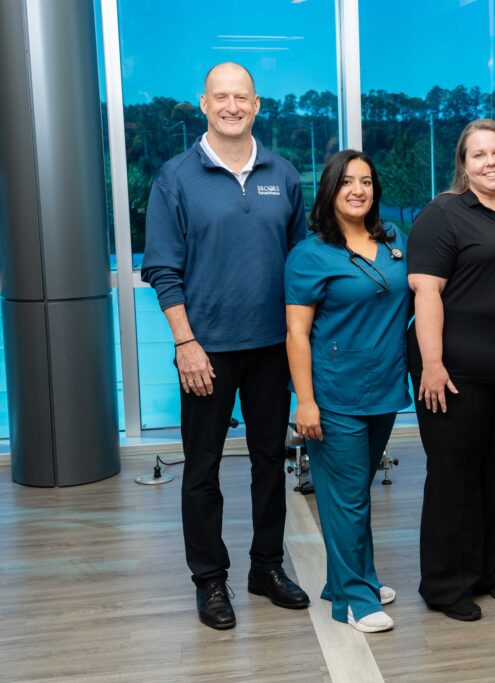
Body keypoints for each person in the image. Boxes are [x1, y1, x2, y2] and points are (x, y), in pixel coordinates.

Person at [141, 62, 309, 630]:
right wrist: (185, 342)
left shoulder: (282, 174)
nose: (232, 106)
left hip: (270, 349)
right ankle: (210, 581)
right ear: (204, 103)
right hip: (205, 350)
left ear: (257, 105)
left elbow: (300, 265)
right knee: (203, 469)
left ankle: (266, 568)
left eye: (242, 97)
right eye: (221, 97)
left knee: (270, 463)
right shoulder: (175, 177)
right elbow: (162, 269)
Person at [407, 119, 495, 622]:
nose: (490, 162)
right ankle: (445, 583)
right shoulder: (442, 214)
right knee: (453, 477)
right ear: (463, 165)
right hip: (454, 372)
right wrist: (431, 364)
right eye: (479, 155)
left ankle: (490, 569)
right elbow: (427, 293)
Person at [284, 150, 410, 634]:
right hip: (335, 396)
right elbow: (297, 334)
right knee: (346, 499)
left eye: (366, 182)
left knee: (353, 492)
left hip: (384, 389)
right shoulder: (310, 255)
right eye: (346, 182)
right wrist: (306, 401)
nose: (358, 190)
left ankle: (355, 579)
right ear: (330, 191)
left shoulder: (395, 239)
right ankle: (354, 600)